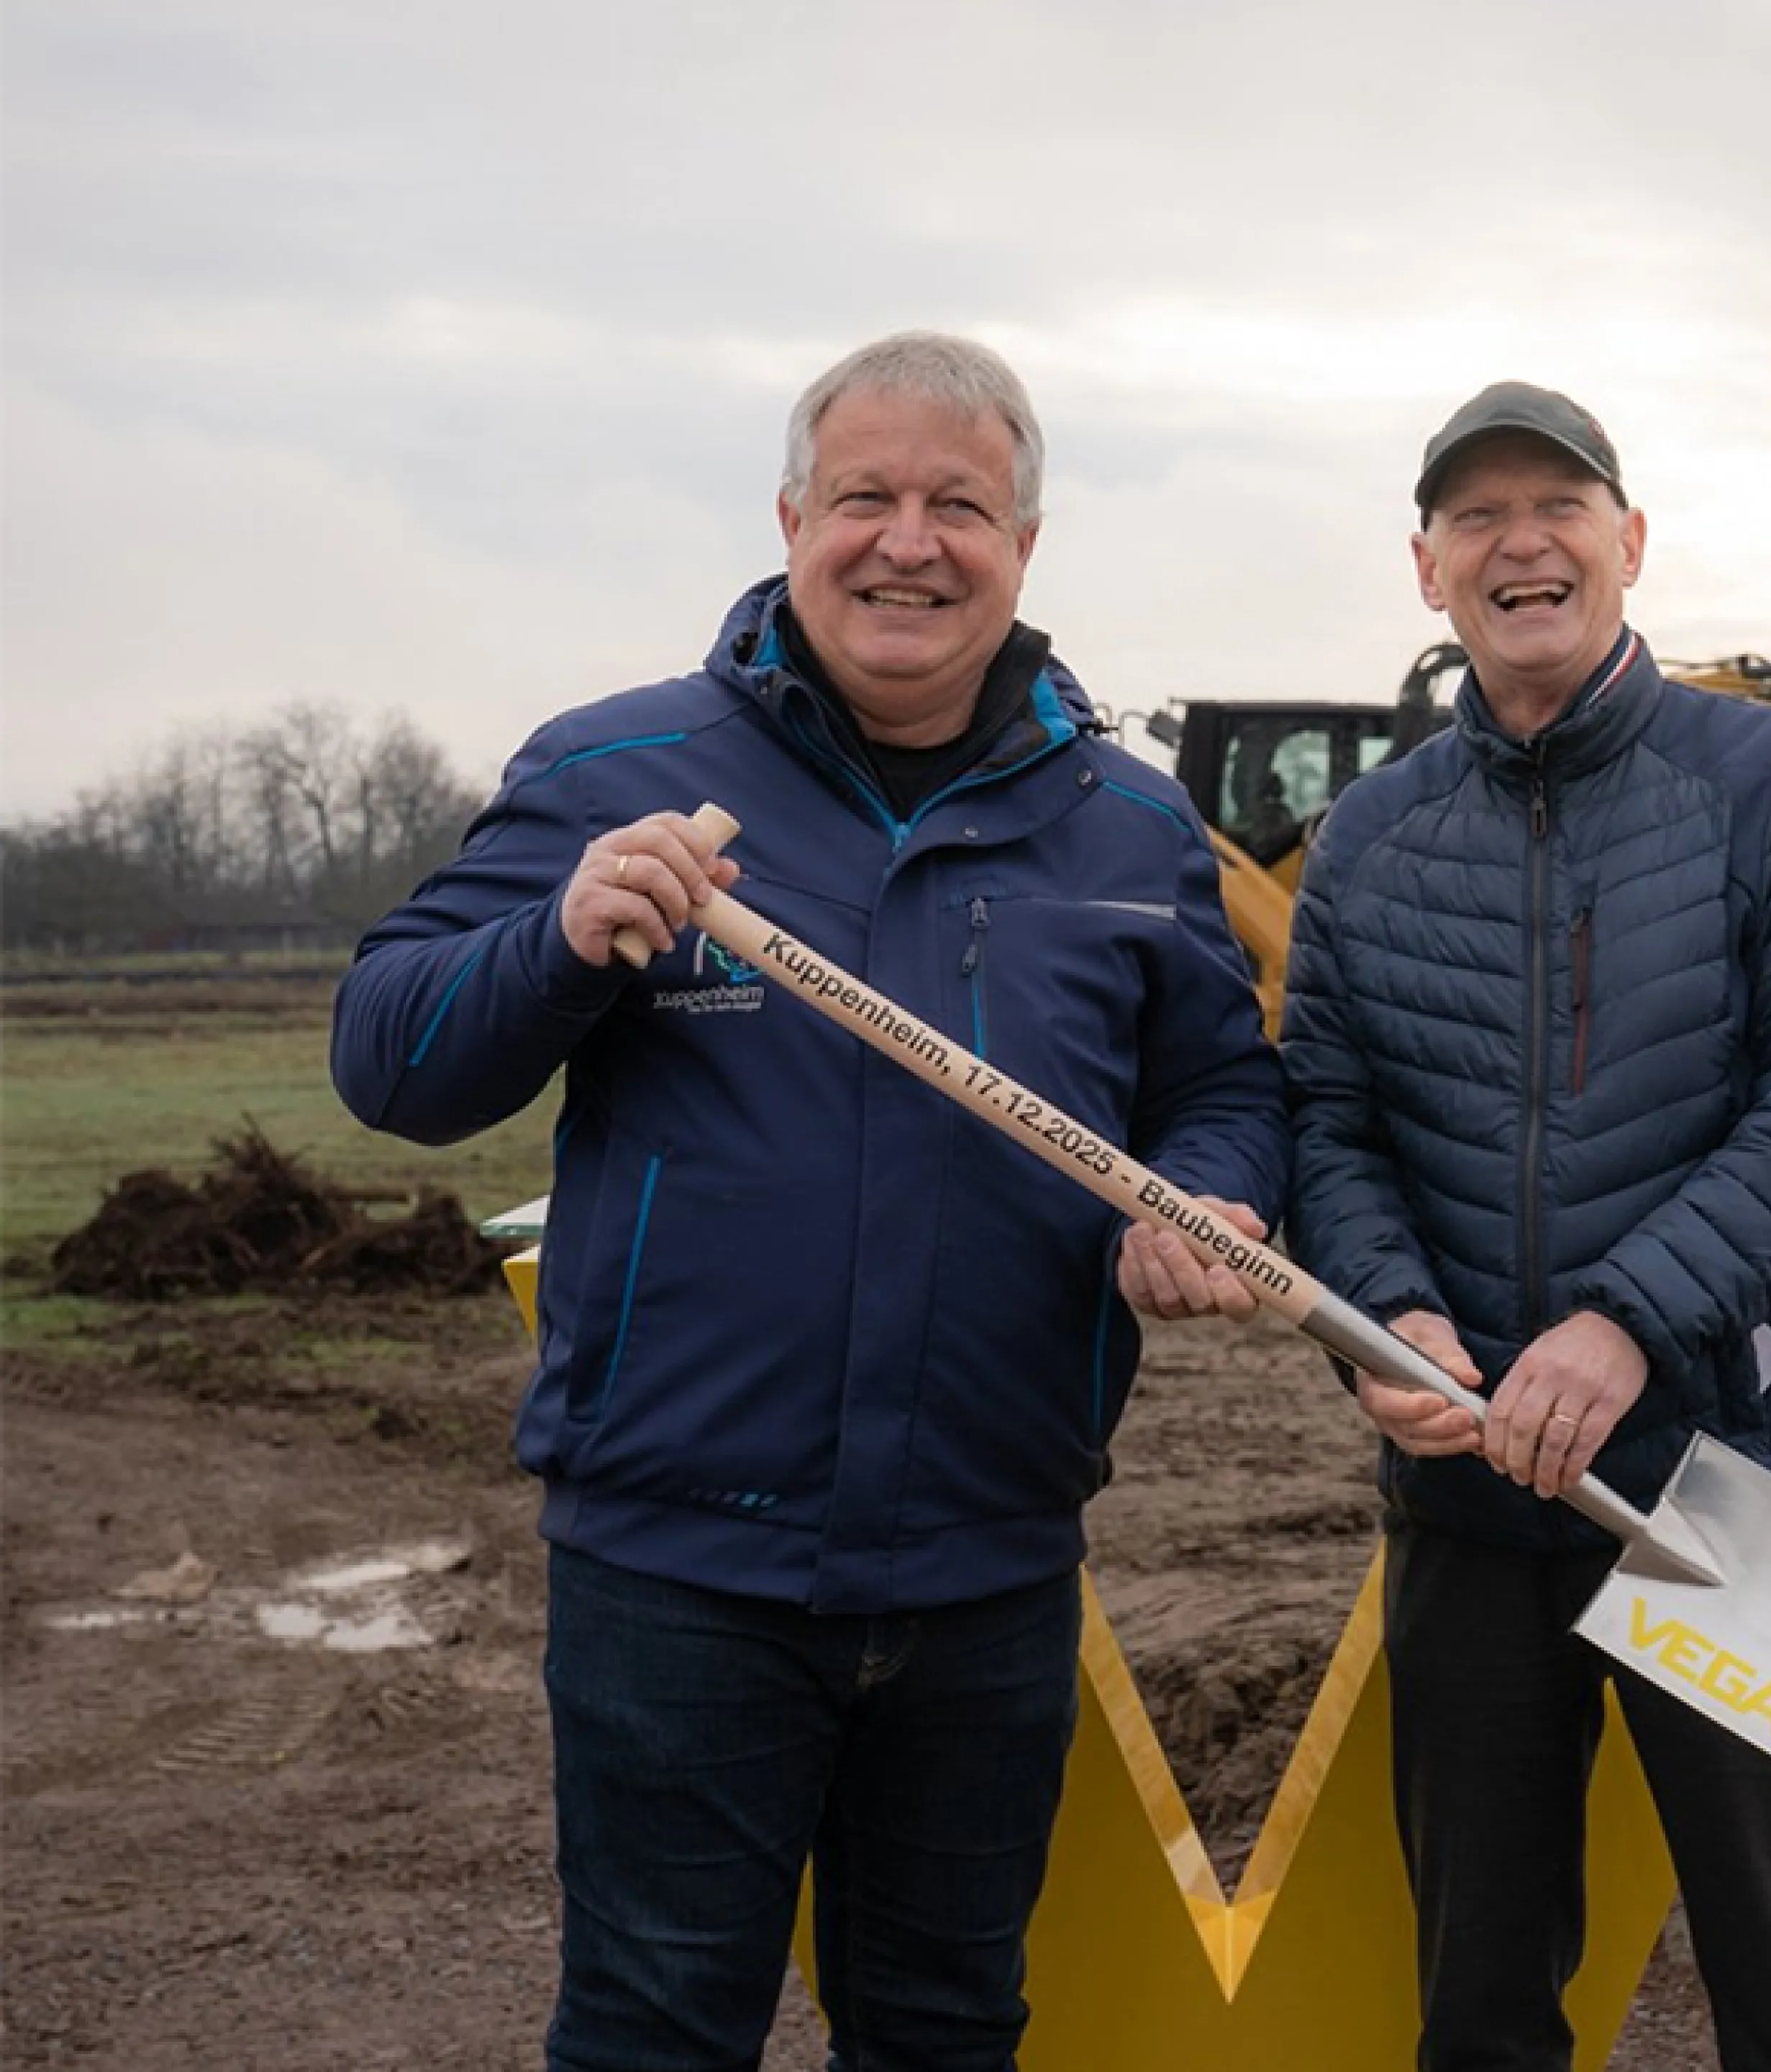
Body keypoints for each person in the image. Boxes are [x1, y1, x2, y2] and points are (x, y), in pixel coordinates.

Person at [331, 332, 1288, 2071]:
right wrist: (555, 946)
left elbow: (1222, 1085)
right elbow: (391, 1064)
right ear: (791, 519)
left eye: (959, 506)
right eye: (865, 498)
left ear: (1026, 543)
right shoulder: (612, 770)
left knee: (940, 2028)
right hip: (679, 1572)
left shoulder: (1131, 829)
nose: (908, 542)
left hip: (990, 1567)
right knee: (651, 2029)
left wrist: (1212, 1194)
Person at [1280, 382, 1771, 2072]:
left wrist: (1629, 1320)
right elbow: (1327, 1129)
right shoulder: (1369, 838)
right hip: (1470, 1502)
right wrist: (1386, 1321)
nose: (1520, 541)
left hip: (1732, 1490)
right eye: (1475, 517)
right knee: (1480, 1998)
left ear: (1630, 544)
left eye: (1557, 504)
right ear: (1429, 572)